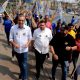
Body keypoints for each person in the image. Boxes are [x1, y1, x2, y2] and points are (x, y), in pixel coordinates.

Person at [9, 14, 32, 80]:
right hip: (17, 50)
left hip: (24, 50)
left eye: (22, 20)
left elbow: (30, 38)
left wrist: (28, 44)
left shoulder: (28, 28)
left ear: (24, 21)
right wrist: (14, 44)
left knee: (24, 64)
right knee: (20, 64)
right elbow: (10, 39)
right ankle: (21, 73)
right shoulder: (13, 28)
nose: (21, 22)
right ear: (17, 20)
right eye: (19, 20)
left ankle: (24, 78)